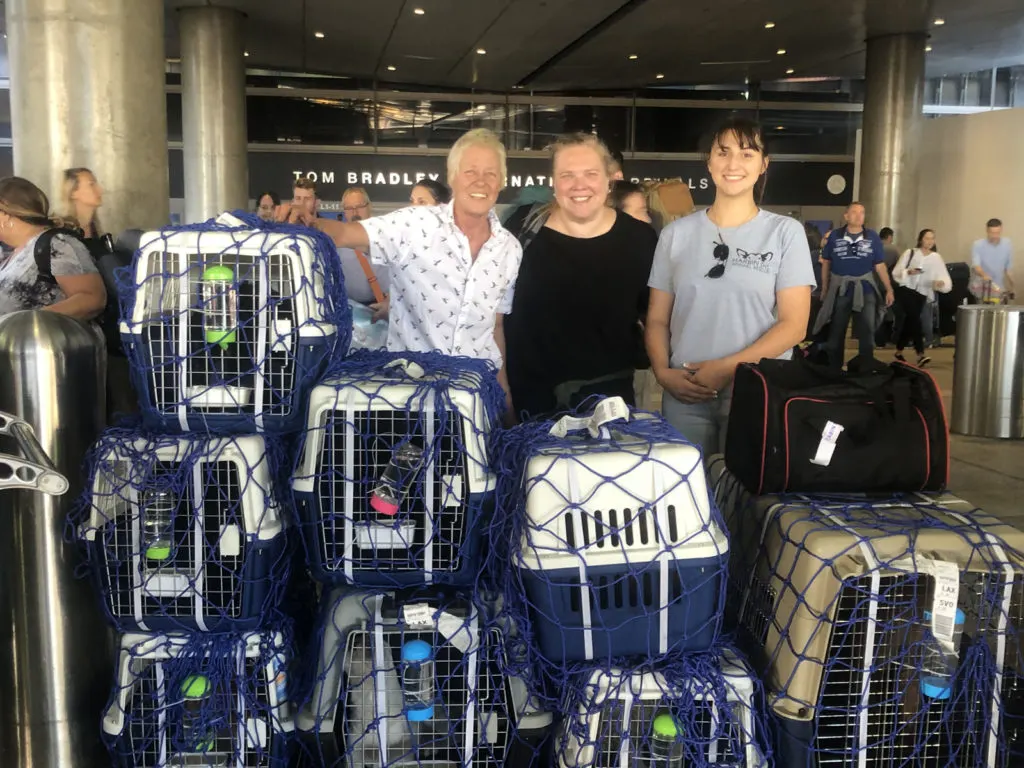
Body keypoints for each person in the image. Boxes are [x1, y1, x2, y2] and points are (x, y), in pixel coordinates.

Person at [278, 128, 522, 390]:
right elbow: (348, 233)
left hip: (478, 397)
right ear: (452, 178)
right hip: (411, 399)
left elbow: (495, 327)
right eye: (470, 171)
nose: (481, 182)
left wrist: (504, 395)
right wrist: (310, 221)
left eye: (491, 173)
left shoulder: (510, 249)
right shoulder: (414, 224)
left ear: (501, 182)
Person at [646, 118, 814, 453]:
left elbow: (794, 325)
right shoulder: (675, 235)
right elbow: (657, 320)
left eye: (747, 154)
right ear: (709, 162)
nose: (733, 164)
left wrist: (726, 368)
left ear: (763, 164)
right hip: (686, 393)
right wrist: (663, 373)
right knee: (688, 497)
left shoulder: (784, 233)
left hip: (756, 388)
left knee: (746, 497)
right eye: (723, 153)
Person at [504, 133, 657, 420]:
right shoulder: (521, 228)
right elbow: (494, 313)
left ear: (609, 179)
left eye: (590, 174)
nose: (579, 185)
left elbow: (655, 317)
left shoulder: (640, 239)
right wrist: (502, 391)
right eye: (567, 175)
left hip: (608, 402)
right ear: (553, 181)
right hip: (529, 401)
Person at [0, 176, 106, 319]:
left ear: (4, 215)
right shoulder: (12, 252)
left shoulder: (57, 244)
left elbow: (91, 299)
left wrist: (30, 322)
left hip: (48, 339)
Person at [812, 202, 894, 369]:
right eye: (854, 212)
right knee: (837, 331)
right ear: (846, 216)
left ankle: (864, 370)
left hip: (866, 289)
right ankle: (835, 371)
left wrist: (889, 289)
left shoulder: (872, 237)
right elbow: (826, 263)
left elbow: (880, 265)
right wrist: (826, 288)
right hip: (841, 289)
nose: (858, 216)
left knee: (867, 333)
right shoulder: (835, 236)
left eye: (862, 213)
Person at [891, 228, 951, 367]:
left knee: (910, 321)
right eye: (927, 238)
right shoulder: (910, 253)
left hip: (923, 292)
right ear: (920, 239)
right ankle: (920, 354)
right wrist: (908, 272)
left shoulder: (936, 258)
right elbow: (896, 272)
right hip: (907, 289)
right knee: (915, 319)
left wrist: (940, 283)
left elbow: (943, 277)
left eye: (932, 238)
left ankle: (899, 351)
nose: (929, 241)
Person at [970, 218, 1014, 302]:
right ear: (987, 231)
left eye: (997, 233)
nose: (995, 236)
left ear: (1001, 230)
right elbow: (977, 266)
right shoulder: (978, 245)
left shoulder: (1007, 244)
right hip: (981, 288)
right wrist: (984, 275)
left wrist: (1012, 285)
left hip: (999, 289)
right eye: (992, 233)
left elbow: (1008, 269)